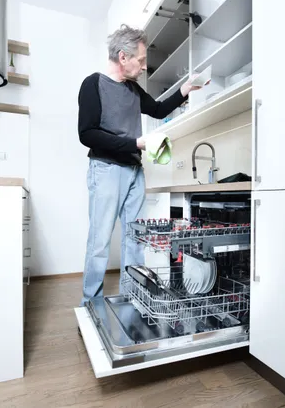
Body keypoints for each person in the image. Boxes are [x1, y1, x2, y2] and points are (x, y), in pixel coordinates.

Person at [77, 24, 207, 306]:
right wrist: (135, 144)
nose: (144, 67)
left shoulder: (134, 91)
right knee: (99, 242)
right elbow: (87, 134)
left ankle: (132, 298)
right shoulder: (93, 84)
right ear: (123, 57)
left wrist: (186, 88)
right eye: (141, 60)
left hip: (135, 172)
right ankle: (91, 304)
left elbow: (158, 109)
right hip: (106, 170)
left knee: (135, 238)